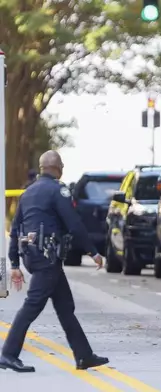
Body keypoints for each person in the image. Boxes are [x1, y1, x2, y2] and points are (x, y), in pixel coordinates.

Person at [0, 150, 108, 373]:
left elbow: (15, 230)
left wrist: (14, 264)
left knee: (65, 307)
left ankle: (84, 356)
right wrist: (93, 252)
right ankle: (8, 355)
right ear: (58, 167)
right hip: (47, 259)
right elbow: (74, 223)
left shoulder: (28, 192)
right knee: (32, 306)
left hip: (34, 257)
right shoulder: (58, 190)